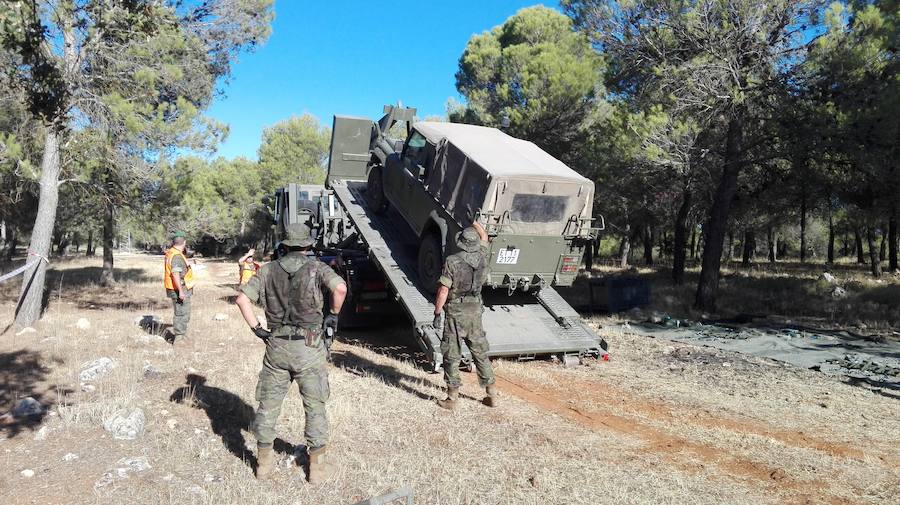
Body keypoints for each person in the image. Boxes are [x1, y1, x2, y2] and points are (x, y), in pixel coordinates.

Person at [234, 223, 347, 482]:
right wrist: (333, 316)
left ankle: (263, 465)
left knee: (268, 406)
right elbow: (340, 289)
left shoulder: (267, 270)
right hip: (309, 346)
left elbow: (241, 299)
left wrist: (257, 330)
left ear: (284, 244)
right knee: (314, 405)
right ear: (308, 245)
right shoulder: (318, 268)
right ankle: (317, 469)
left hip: (276, 346)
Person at [433, 221, 496, 409]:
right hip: (475, 309)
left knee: (452, 353)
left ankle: (452, 398)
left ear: (461, 242)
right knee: (480, 352)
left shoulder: (453, 261)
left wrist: (437, 312)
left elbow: (443, 290)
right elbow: (484, 237)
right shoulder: (484, 256)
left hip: (455, 312)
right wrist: (476, 223)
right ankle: (491, 393)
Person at [163, 231, 194, 343]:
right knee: (182, 313)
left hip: (176, 287)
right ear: (184, 242)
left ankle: (182, 335)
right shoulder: (176, 256)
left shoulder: (172, 253)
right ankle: (179, 338)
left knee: (182, 312)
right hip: (178, 289)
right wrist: (180, 291)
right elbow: (176, 273)